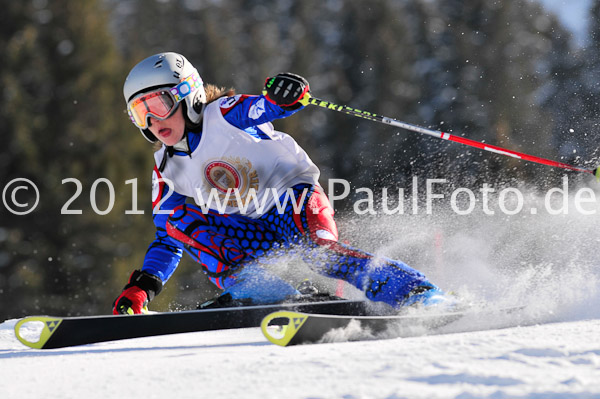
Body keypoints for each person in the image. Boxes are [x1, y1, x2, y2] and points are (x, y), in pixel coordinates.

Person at [112, 52, 448, 315]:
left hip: (292, 201)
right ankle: (270, 295)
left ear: (189, 94)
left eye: (159, 104)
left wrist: (284, 96)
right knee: (176, 220)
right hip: (249, 227)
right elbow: (169, 240)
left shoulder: (224, 114)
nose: (154, 121)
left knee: (322, 257)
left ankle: (417, 293)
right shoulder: (167, 170)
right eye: (141, 113)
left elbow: (263, 108)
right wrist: (144, 286)